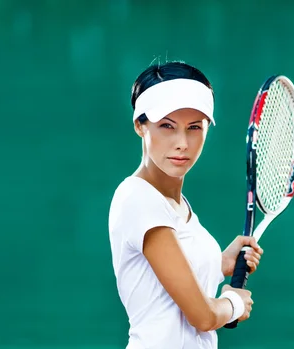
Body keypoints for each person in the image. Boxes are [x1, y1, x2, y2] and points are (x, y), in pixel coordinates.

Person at [108, 60, 264, 349]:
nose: (182, 143)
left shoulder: (178, 207)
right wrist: (234, 303)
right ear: (140, 125)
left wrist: (220, 264)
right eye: (167, 126)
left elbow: (165, 283)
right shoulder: (138, 199)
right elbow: (202, 317)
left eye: (194, 127)